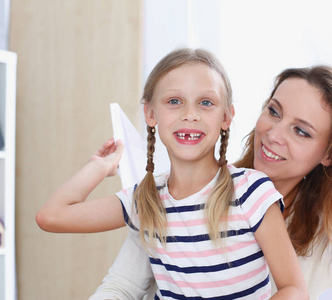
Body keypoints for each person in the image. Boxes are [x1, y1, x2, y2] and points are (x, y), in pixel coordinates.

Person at [90, 65, 332, 300]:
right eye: (274, 112)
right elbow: (120, 288)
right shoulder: (178, 193)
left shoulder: (328, 231)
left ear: (329, 154)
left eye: (300, 131)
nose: (273, 135)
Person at [36, 48, 308, 299]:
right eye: (174, 101)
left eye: (205, 102)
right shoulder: (146, 199)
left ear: (226, 117)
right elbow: (51, 216)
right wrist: (100, 166)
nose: (190, 114)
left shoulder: (251, 191)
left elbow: (293, 289)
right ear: (151, 114)